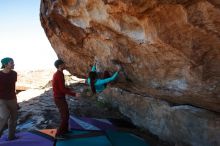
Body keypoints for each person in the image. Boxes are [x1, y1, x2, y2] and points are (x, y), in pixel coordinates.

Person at [52, 59, 80, 139]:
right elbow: (62, 89)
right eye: (63, 64)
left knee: (66, 114)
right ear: (60, 66)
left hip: (59, 97)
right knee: (65, 116)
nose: (65, 65)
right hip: (59, 98)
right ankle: (58, 134)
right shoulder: (59, 75)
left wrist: (67, 88)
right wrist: (74, 94)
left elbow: (61, 87)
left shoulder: (59, 73)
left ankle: (65, 131)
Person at [0, 57, 18, 140]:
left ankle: (11, 136)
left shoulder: (14, 74)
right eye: (11, 63)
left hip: (12, 98)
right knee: (4, 116)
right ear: (5, 64)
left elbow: (13, 87)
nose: (13, 64)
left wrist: (16, 100)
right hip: (1, 99)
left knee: (14, 118)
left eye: (13, 62)